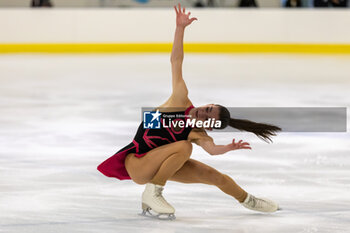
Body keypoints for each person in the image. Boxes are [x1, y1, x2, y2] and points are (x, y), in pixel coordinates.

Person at [97, 3, 281, 220]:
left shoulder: (198, 134)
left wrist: (227, 148)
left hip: (163, 164)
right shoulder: (180, 100)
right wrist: (180, 29)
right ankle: (153, 192)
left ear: (208, 126)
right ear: (208, 103)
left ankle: (248, 200)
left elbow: (211, 150)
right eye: (207, 109)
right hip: (138, 163)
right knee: (184, 147)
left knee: (215, 176)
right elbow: (176, 61)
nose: (202, 114)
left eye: (206, 119)